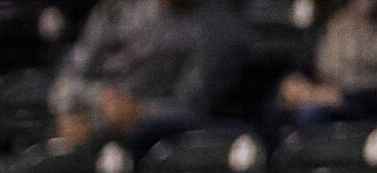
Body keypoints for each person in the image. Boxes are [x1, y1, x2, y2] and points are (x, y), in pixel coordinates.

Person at [51, 0, 245, 144]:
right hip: (92, 123)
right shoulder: (116, 9)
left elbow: (193, 107)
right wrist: (97, 100)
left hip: (159, 140)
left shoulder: (218, 27)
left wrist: (139, 112)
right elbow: (67, 81)